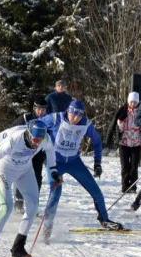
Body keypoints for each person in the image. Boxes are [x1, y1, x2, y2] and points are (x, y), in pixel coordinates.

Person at [33, 99, 124, 236]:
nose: (75, 118)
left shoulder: (85, 124)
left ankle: (104, 220)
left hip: (74, 162)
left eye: (78, 115)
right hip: (55, 162)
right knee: (56, 192)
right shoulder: (56, 118)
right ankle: (47, 226)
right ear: (68, 111)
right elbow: (35, 125)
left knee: (96, 191)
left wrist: (97, 163)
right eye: (72, 114)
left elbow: (97, 141)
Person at [0, 118, 53, 257]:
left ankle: (18, 248)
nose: (37, 143)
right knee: (7, 207)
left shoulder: (45, 139)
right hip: (5, 170)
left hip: (25, 170)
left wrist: (54, 173)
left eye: (40, 140)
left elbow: (50, 150)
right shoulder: (14, 140)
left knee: (33, 206)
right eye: (35, 139)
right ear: (29, 134)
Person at [108, 90, 141, 195]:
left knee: (134, 167)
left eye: (135, 102)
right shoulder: (123, 110)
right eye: (131, 102)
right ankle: (125, 186)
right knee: (125, 166)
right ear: (128, 101)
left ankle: (133, 187)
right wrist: (120, 125)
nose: (133, 104)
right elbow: (116, 125)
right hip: (124, 143)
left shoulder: (140, 111)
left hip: (136, 143)